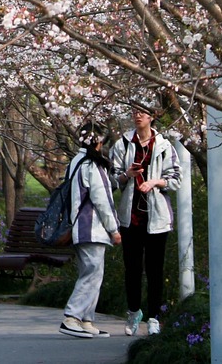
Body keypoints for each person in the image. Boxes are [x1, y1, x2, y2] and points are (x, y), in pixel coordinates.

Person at [110, 104, 181, 337]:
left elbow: (176, 179)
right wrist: (126, 175)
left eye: (143, 112)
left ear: (152, 117)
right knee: (132, 268)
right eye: (135, 112)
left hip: (157, 218)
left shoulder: (163, 145)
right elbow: (112, 179)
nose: (138, 116)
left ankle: (154, 317)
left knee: (154, 270)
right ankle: (133, 312)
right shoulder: (122, 144)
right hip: (130, 218)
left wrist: (155, 182)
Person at [60, 121, 122, 339]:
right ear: (99, 141)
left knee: (92, 273)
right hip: (91, 227)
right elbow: (102, 199)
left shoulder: (76, 161)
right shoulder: (91, 165)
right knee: (92, 274)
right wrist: (114, 229)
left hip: (79, 227)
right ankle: (72, 317)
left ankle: (87, 320)